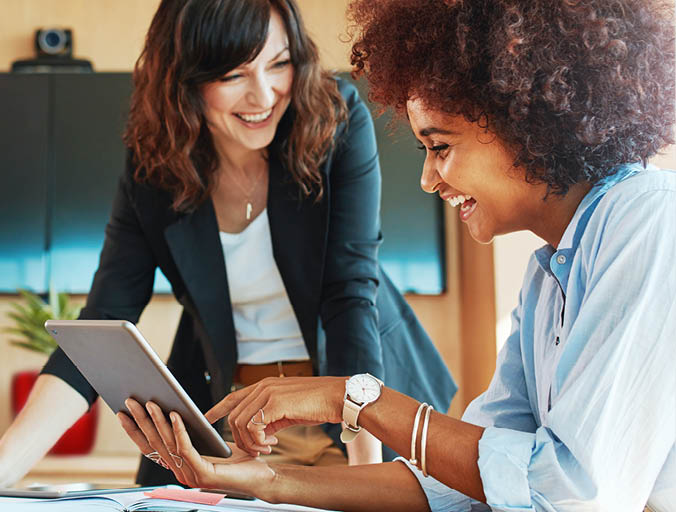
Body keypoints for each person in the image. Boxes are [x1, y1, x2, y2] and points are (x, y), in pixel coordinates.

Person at [116, 0, 676, 510]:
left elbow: (566, 494)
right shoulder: (547, 277)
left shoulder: (647, 221)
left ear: (529, 124)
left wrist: (355, 398)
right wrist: (266, 481)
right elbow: (464, 485)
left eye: (440, 147)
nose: (429, 179)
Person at [0, 0, 457, 489]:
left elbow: (349, 295)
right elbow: (103, 323)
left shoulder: (334, 120)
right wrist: (1, 467)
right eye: (235, 74)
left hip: (352, 407)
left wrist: (367, 473)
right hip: (234, 421)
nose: (264, 94)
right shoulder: (154, 164)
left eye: (279, 64)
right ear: (184, 78)